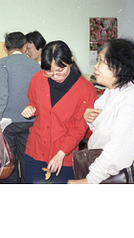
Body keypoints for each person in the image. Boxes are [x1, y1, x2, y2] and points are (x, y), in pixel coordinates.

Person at [68, 38, 134, 184]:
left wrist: (89, 180)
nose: (95, 66)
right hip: (105, 172)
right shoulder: (112, 91)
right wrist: (91, 118)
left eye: (101, 61)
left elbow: (119, 151)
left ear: (119, 66)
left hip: (118, 177)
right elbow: (104, 127)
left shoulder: (132, 97)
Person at [22, 40, 98, 184]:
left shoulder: (86, 89)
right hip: (36, 149)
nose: (55, 77)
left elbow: (79, 128)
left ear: (71, 61)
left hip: (65, 153)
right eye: (49, 72)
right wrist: (31, 108)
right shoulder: (38, 79)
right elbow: (33, 101)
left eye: (60, 71)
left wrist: (61, 154)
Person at [0, 31, 41, 184]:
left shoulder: (2, 63)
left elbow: (1, 95)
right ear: (25, 47)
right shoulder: (35, 65)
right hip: (30, 121)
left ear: (5, 47)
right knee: (27, 160)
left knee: (9, 162)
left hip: (9, 123)